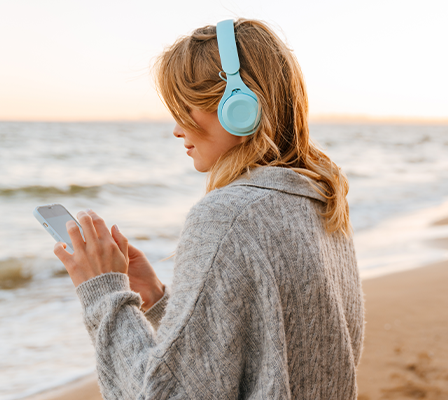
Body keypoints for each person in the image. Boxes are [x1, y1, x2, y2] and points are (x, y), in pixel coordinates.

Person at [53, 18, 364, 399]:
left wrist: (103, 295)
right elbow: (263, 359)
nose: (177, 128)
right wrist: (158, 300)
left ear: (240, 106)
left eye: (186, 107)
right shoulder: (322, 204)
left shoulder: (227, 217)